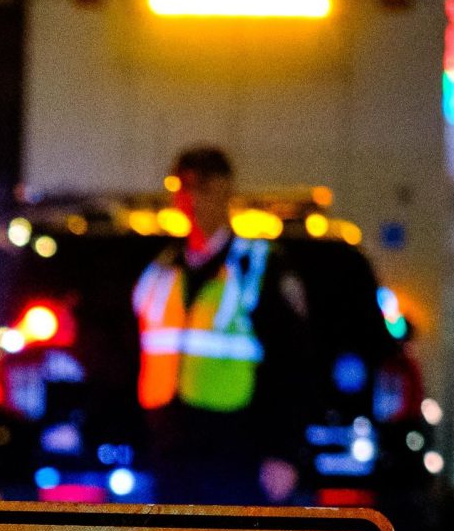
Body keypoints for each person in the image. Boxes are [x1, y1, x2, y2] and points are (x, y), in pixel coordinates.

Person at [128, 146, 314, 505]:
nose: (190, 199)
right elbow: (134, 356)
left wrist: (284, 452)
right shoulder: (161, 269)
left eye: (201, 187)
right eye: (181, 187)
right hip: (169, 449)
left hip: (235, 450)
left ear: (225, 190)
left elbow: (295, 366)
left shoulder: (259, 266)